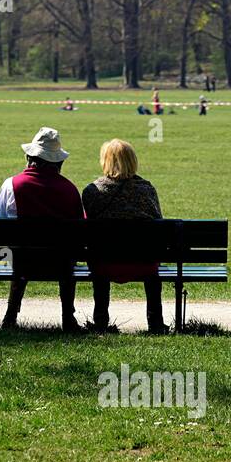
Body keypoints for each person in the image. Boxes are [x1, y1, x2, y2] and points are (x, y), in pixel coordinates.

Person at [0, 127, 85, 333]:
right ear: (58, 162)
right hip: (61, 263)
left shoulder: (12, 185)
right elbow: (79, 231)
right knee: (67, 254)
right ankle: (68, 318)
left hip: (20, 261)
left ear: (30, 157)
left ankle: (10, 315)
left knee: (19, 251)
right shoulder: (70, 189)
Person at [82, 139, 166, 333]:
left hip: (104, 263)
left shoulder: (92, 191)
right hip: (144, 263)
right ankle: (155, 323)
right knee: (151, 267)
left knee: (99, 254)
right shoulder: (147, 190)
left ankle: (101, 321)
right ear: (133, 161)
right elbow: (159, 226)